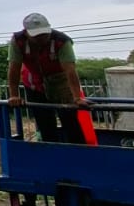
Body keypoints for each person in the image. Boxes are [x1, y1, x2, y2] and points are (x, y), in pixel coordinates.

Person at [7, 13, 86, 145]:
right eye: (36, 36)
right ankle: (51, 154)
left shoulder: (61, 41)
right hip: (33, 83)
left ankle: (80, 153)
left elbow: (70, 70)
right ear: (26, 33)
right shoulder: (18, 41)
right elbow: (14, 69)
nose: (41, 38)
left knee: (70, 119)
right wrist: (14, 96)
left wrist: (77, 97)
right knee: (45, 123)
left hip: (60, 81)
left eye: (44, 34)